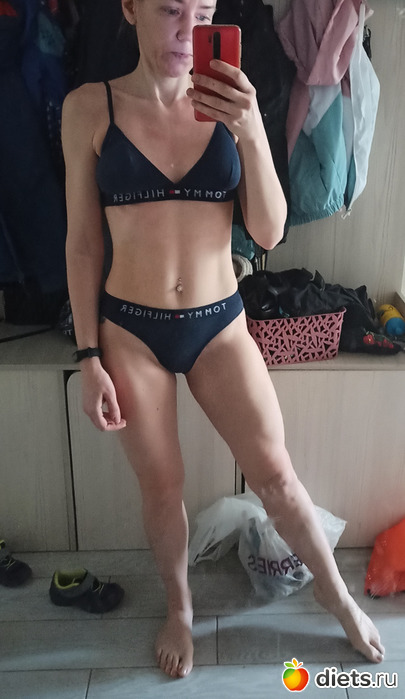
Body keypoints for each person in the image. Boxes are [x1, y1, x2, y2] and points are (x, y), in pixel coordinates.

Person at [62, 0, 385, 680]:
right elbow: (84, 244)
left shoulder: (233, 102)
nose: (188, 29)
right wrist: (88, 357)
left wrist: (250, 130)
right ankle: (179, 608)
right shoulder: (89, 107)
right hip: (130, 329)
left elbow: (269, 232)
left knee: (277, 477)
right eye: (170, 10)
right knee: (162, 488)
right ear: (130, 9)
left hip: (219, 324)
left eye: (203, 10)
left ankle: (338, 599)